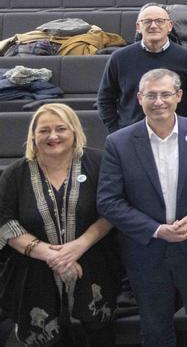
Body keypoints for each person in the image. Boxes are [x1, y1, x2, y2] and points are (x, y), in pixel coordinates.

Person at [97, 69, 187, 347]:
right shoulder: (119, 143)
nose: (158, 101)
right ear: (139, 98)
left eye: (165, 94)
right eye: (151, 95)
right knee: (155, 330)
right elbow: (109, 201)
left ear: (179, 96)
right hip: (147, 253)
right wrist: (155, 230)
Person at [0, 104, 121, 345]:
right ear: (33, 136)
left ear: (74, 131)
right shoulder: (16, 174)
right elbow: (4, 220)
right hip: (34, 271)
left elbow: (112, 210)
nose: (53, 136)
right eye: (44, 130)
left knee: (98, 334)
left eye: (61, 129)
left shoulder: (99, 163)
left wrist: (77, 247)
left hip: (94, 265)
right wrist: (49, 255)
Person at [96, 4, 187, 132]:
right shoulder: (119, 58)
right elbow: (105, 99)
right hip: (132, 136)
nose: (153, 26)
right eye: (147, 21)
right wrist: (118, 131)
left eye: (160, 21)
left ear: (170, 26)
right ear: (138, 27)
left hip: (177, 135)